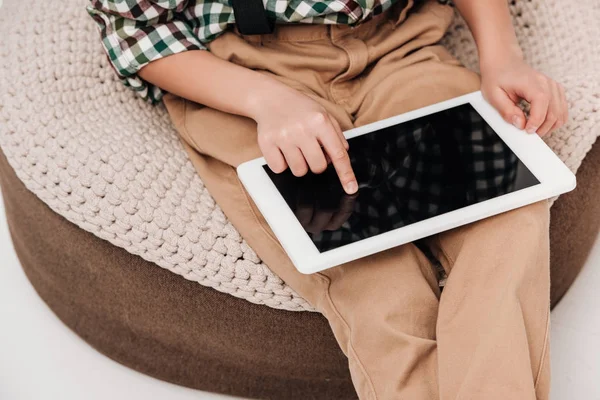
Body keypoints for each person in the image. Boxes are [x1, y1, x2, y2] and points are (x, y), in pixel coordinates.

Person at [87, 0, 568, 398]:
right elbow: (139, 30)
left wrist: (501, 54)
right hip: (240, 70)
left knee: (506, 212)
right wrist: (265, 101)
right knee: (372, 274)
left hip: (402, 44)